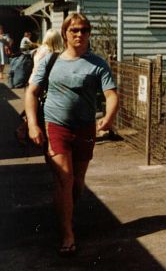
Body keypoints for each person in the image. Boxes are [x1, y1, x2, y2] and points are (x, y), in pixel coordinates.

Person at [25, 14, 119, 257]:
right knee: (65, 179)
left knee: (77, 183)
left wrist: (108, 117)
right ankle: (67, 233)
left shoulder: (98, 64)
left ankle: (64, 212)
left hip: (85, 128)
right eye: (75, 30)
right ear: (65, 33)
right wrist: (33, 125)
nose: (80, 34)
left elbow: (111, 95)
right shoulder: (50, 60)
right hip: (56, 126)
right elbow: (31, 92)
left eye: (85, 30)